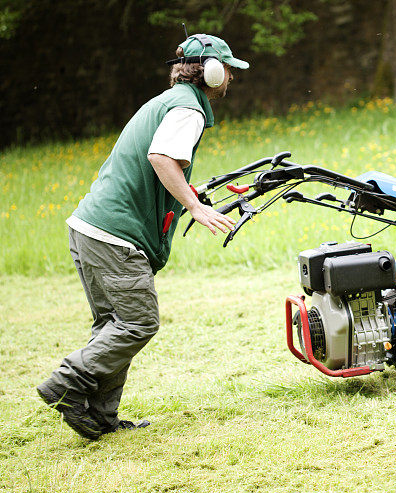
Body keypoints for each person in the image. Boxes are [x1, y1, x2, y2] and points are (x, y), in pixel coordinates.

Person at [36, 34, 248, 439]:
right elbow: (160, 157)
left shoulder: (168, 103)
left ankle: (99, 417)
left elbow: (156, 167)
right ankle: (65, 383)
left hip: (90, 228)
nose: (231, 80)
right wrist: (195, 207)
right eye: (228, 71)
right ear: (212, 72)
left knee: (113, 325)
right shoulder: (188, 110)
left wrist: (190, 192)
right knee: (138, 323)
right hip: (115, 235)